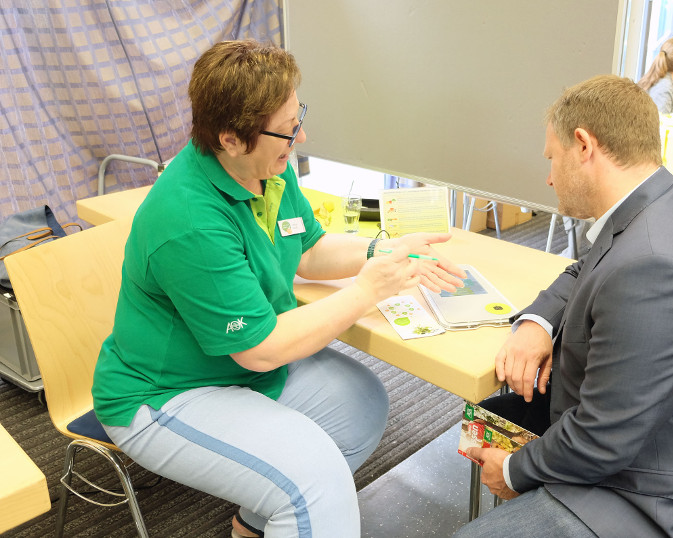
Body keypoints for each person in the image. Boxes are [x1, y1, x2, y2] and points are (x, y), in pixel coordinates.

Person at [91, 39, 465, 538]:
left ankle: (255, 525)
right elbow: (261, 351)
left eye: (298, 119)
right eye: (288, 130)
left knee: (362, 405)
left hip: (234, 365)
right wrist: (367, 290)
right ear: (231, 138)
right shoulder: (189, 221)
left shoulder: (266, 167)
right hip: (167, 393)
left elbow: (309, 251)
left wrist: (381, 250)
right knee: (316, 484)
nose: (301, 136)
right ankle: (289, 512)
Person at [455, 75, 673, 538]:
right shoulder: (660, 207)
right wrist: (537, 323)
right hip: (662, 446)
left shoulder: (654, 266)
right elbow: (585, 268)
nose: (549, 177)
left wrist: (512, 471)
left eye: (551, 158)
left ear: (583, 145)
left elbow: (600, 439)